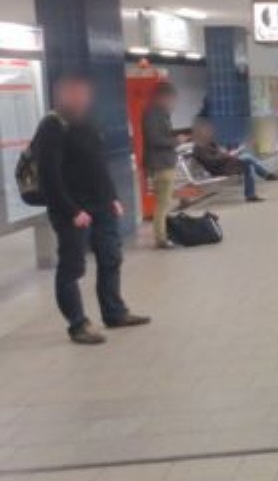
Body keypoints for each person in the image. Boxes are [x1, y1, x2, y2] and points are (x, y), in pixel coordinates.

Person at [33, 71, 150, 345]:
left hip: (102, 207)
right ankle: (78, 325)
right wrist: (72, 211)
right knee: (72, 268)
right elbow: (50, 177)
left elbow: (99, 164)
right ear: (61, 94)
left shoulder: (88, 122)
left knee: (111, 258)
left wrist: (113, 197)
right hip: (73, 211)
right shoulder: (52, 126)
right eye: (74, 92)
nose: (81, 97)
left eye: (84, 92)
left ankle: (114, 313)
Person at [190, 119, 278, 202]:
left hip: (225, 164)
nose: (210, 132)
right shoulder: (199, 147)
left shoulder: (208, 142)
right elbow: (211, 161)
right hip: (219, 168)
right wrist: (226, 156)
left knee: (247, 158)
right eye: (207, 131)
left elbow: (218, 154)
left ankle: (257, 187)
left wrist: (227, 154)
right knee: (247, 161)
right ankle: (261, 181)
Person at [142, 81, 179, 249]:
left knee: (164, 202)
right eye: (171, 99)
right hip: (161, 164)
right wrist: (175, 141)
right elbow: (154, 139)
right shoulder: (153, 114)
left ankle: (163, 234)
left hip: (164, 162)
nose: (173, 103)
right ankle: (161, 238)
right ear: (163, 97)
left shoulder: (160, 114)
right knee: (163, 203)